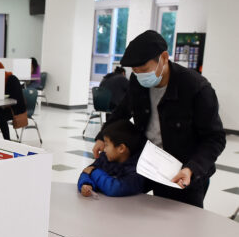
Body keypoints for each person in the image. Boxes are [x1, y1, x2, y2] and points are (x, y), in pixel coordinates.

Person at [92, 30, 226, 208]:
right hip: (149, 162)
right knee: (133, 209)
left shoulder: (196, 89)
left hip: (184, 171)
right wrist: (102, 136)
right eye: (135, 71)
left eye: (144, 70)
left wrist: (191, 169)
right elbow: (121, 112)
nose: (139, 75)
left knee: (183, 224)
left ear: (164, 58)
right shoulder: (137, 81)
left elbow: (215, 139)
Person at [78, 119, 145, 197]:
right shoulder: (105, 158)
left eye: (106, 145)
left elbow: (115, 189)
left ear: (121, 148)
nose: (104, 149)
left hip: (127, 208)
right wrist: (87, 184)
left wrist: (94, 172)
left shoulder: (137, 170)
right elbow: (86, 172)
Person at [0, 61, 27, 140]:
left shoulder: (12, 79)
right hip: (5, 107)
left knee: (0, 115)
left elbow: (15, 99)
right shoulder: (0, 81)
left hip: (17, 108)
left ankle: (7, 140)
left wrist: (3, 101)